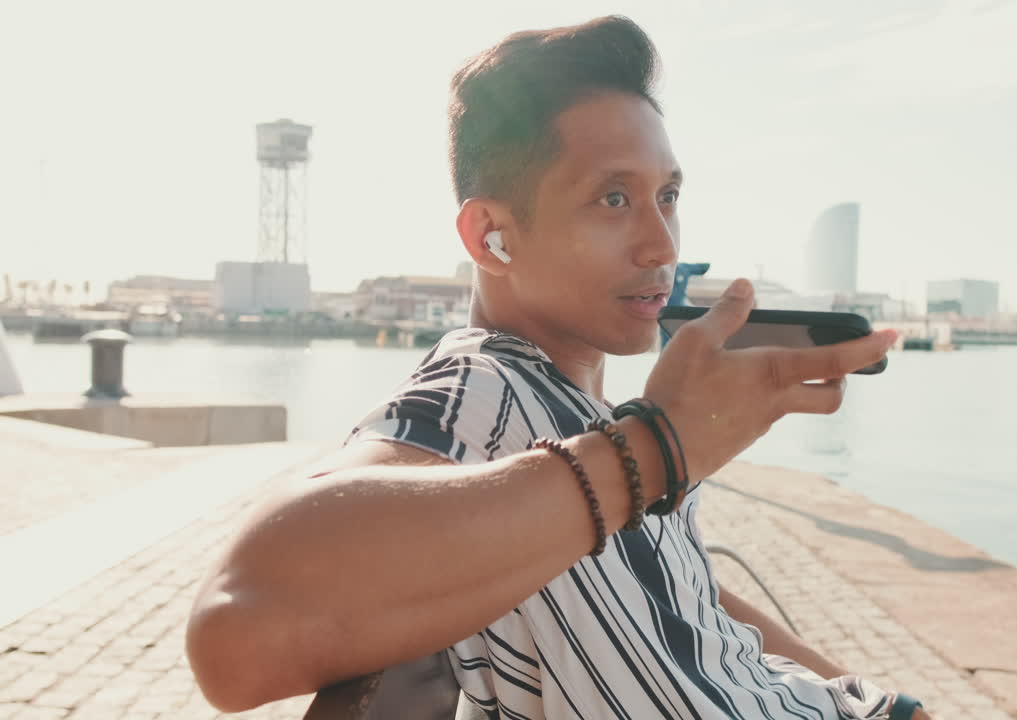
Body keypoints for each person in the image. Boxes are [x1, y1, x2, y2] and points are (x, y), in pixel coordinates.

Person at [186, 16, 928, 720]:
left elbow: (678, 597)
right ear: (492, 236)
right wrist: (660, 448)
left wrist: (863, 695)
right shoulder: (485, 388)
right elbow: (233, 633)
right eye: (614, 198)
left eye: (666, 196)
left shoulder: (578, 413)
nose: (662, 245)